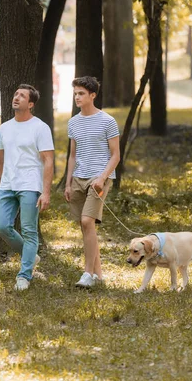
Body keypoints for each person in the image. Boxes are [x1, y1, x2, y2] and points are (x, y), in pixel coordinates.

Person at [0, 84, 55, 291]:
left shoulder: (40, 127)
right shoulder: (5, 128)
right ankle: (31, 256)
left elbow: (48, 160)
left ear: (31, 104)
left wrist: (46, 192)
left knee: (29, 230)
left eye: (22, 96)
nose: (16, 97)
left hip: (30, 185)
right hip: (7, 185)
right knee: (2, 227)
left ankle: (24, 275)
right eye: (15, 94)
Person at [64, 76, 120, 288]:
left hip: (99, 179)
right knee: (86, 227)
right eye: (75, 93)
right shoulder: (73, 122)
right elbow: (72, 156)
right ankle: (98, 275)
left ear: (92, 95)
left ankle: (87, 274)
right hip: (78, 178)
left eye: (81, 94)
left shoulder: (107, 121)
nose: (77, 97)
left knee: (87, 222)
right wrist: (68, 183)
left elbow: (116, 155)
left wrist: (102, 178)